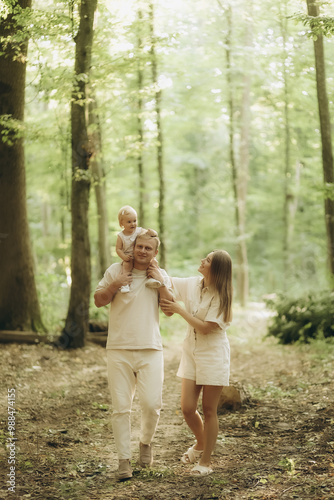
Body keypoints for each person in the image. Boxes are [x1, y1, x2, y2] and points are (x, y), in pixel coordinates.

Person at [94, 228, 174, 481]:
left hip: (151, 349)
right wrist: (116, 285)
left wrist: (160, 282)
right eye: (139, 246)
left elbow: (170, 309)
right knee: (120, 408)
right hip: (118, 349)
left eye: (148, 248)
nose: (142, 251)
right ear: (133, 247)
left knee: (152, 404)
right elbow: (98, 300)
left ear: (155, 252)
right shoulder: (115, 271)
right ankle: (123, 460)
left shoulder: (159, 275)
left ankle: (146, 442)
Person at [160, 250, 233, 476]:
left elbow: (204, 327)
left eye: (208, 260)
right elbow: (168, 281)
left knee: (209, 409)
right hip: (191, 351)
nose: (202, 260)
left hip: (213, 354)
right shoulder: (193, 284)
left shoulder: (222, 296)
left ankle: (206, 461)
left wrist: (179, 310)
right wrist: (152, 265)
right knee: (187, 408)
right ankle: (201, 443)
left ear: (216, 269)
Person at [116, 205, 160, 292]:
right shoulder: (121, 236)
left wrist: (153, 232)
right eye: (129, 222)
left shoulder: (139, 230)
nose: (133, 224)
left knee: (153, 262)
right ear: (122, 224)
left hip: (140, 255)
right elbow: (118, 249)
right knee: (126, 266)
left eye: (134, 221)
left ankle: (153, 279)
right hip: (128, 256)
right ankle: (125, 284)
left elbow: (149, 233)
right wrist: (124, 257)